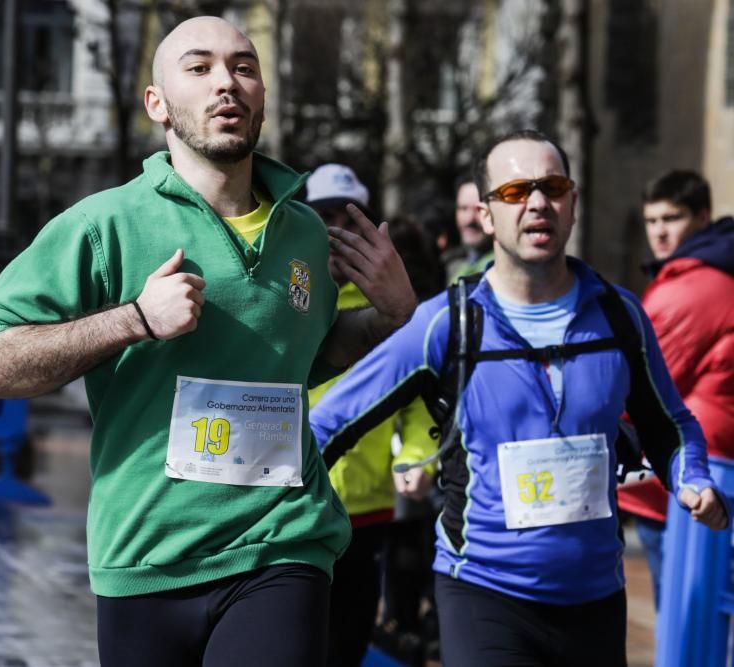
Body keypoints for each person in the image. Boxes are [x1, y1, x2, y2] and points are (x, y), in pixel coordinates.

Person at [0, 16, 416, 667]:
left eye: (243, 67)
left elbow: (307, 353)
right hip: (146, 554)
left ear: (263, 94)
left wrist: (395, 314)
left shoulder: (305, 234)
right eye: (199, 68)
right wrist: (135, 318)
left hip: (281, 543)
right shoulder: (104, 224)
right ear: (158, 104)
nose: (226, 83)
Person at [310, 129, 728, 667]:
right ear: (486, 215)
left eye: (552, 187)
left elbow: (668, 422)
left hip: (596, 597)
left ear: (572, 204)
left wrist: (692, 478)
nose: (536, 202)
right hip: (484, 592)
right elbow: (331, 423)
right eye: (514, 191)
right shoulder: (448, 323)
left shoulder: (621, 316)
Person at [305, 164, 415, 666]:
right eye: (325, 215)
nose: (340, 230)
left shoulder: (392, 306)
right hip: (295, 502)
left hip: (365, 509)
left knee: (348, 645)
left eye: (351, 219)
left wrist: (416, 457)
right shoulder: (293, 298)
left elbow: (417, 397)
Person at [617, 169, 734, 608]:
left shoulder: (691, 286)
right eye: (651, 221)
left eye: (672, 218)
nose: (659, 232)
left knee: (685, 627)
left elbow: (636, 390)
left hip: (689, 482)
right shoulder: (710, 270)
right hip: (704, 472)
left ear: (703, 217)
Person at [441, 178, 494, 282]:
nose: (470, 219)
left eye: (478, 210)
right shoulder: (454, 266)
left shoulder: (502, 268)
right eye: (463, 208)